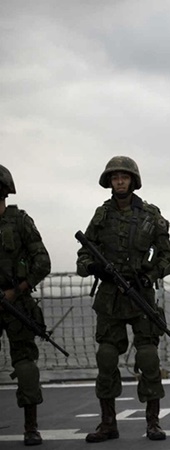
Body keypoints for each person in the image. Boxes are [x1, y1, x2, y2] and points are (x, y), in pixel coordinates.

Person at [76, 156, 170, 442]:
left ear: (133, 180)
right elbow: (83, 256)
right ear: (109, 182)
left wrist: (149, 275)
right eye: (115, 177)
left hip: (140, 294)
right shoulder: (101, 216)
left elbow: (169, 257)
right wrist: (93, 268)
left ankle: (153, 422)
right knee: (106, 357)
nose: (119, 182)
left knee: (148, 357)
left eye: (124, 177)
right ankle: (108, 423)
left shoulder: (150, 215)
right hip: (110, 297)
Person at [0, 164, 51, 446]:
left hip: (17, 304)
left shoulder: (20, 222)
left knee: (25, 366)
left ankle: (31, 426)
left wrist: (17, 290)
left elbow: (42, 262)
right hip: (14, 301)